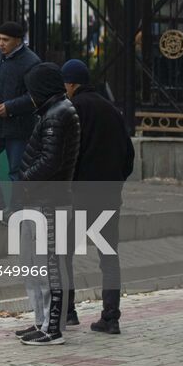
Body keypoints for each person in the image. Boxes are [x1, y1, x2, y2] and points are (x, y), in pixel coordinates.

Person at [61, 59, 134, 335]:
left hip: (81, 196)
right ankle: (111, 317)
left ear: (71, 84)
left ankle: (67, 311)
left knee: (63, 253)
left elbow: (69, 153)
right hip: (110, 195)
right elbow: (128, 155)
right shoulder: (112, 110)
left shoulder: (72, 109)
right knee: (108, 256)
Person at [13, 62, 80, 346]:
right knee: (31, 263)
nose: (30, 97)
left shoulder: (59, 113)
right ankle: (41, 320)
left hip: (49, 201)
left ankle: (52, 328)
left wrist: (25, 178)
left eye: (32, 90)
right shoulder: (52, 111)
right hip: (38, 200)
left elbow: (50, 161)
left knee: (49, 265)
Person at [0, 20, 40, 210]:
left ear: (18, 40)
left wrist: (10, 107)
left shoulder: (32, 62)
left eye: (5, 40)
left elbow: (35, 96)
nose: (0, 44)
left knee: (17, 171)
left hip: (19, 127)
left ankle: (15, 210)